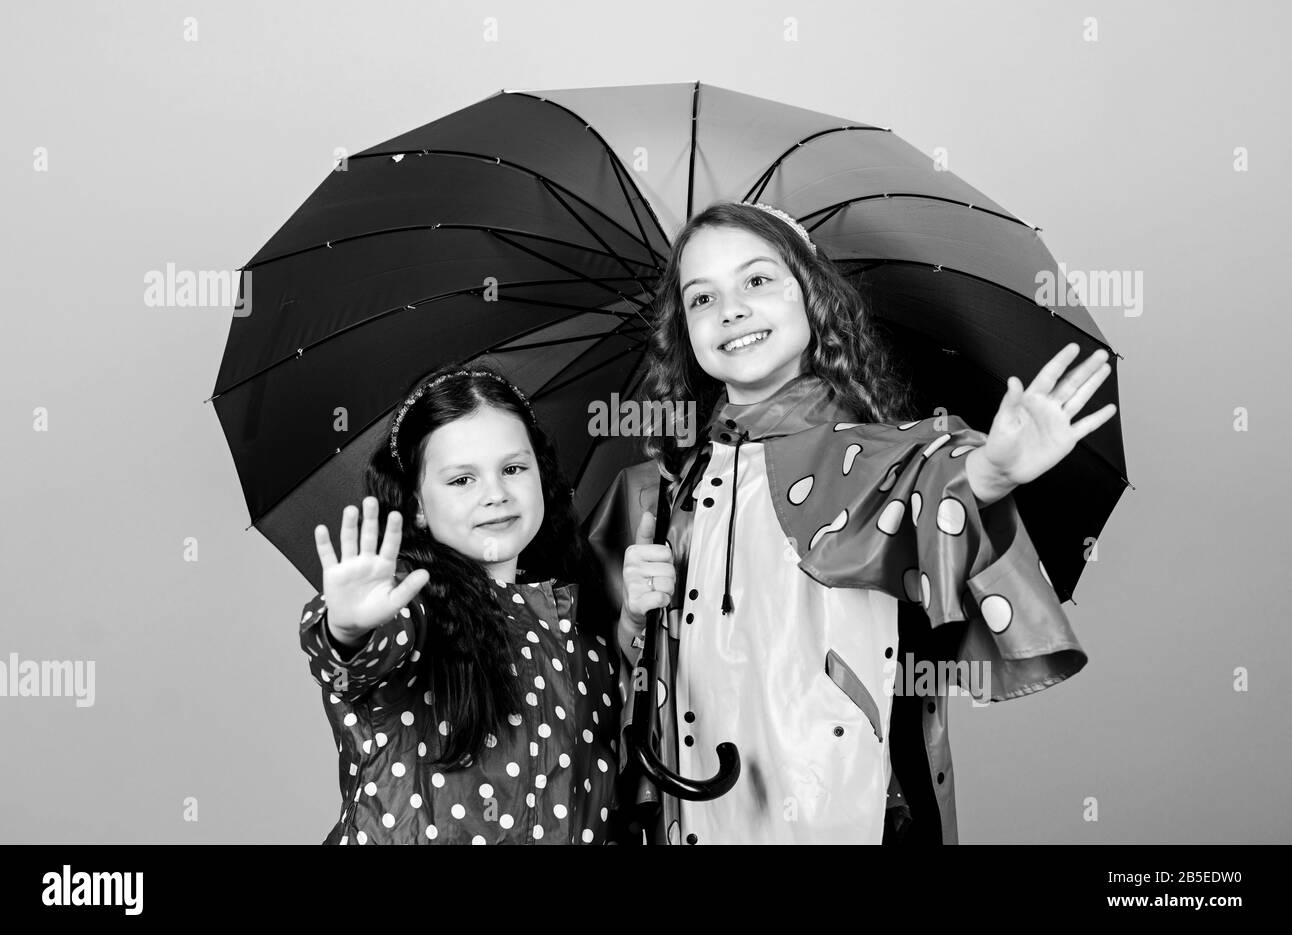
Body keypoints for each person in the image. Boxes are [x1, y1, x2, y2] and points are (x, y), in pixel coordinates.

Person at [585, 201, 1115, 844]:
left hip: (854, 812)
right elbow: (595, 679)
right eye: (702, 298)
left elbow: (936, 482)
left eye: (757, 280)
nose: (731, 310)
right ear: (684, 333)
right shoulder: (653, 492)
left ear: (811, 297)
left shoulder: (879, 460)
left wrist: (992, 474)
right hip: (692, 816)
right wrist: (633, 619)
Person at [299, 365, 623, 844]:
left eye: (513, 469)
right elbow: (358, 654)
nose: (495, 494)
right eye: (461, 480)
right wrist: (347, 629)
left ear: (542, 476)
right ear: (417, 507)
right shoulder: (413, 601)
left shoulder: (580, 632)